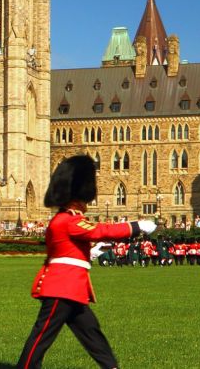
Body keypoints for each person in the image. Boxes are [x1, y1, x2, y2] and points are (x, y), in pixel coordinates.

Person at [15, 155, 157, 369]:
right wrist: (135, 226)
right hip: (62, 287)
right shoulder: (68, 220)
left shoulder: (65, 220)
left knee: (92, 333)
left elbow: (68, 249)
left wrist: (89, 253)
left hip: (72, 288)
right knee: (42, 334)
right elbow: (100, 230)